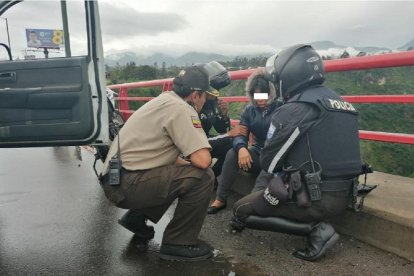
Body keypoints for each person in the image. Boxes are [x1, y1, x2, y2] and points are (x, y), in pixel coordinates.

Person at [231, 44, 363, 261]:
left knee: (240, 210)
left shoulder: (294, 108)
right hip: (346, 194)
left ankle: (315, 230)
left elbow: (269, 163)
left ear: (289, 76)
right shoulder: (342, 103)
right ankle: (316, 223)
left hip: (314, 199)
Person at [99, 65, 215, 262]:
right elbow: (203, 161)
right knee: (203, 177)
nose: (205, 101)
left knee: (180, 172)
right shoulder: (182, 109)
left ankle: (136, 218)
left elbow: (163, 157)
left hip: (116, 180)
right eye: (205, 96)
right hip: (127, 184)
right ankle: (179, 243)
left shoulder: (164, 100)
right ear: (195, 95)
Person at [207, 68, 282, 214]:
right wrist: (241, 148)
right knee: (232, 153)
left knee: (264, 175)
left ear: (271, 92)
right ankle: (220, 198)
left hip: (276, 158)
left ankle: (250, 207)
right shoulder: (249, 110)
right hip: (259, 152)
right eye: (256, 95)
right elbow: (241, 132)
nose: (260, 99)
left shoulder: (281, 107)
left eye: (264, 95)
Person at [199, 61, 248, 181]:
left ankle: (211, 178)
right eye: (214, 89)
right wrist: (229, 134)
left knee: (234, 145)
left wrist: (224, 116)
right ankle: (204, 181)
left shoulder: (213, 102)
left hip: (204, 141)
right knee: (230, 138)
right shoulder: (193, 106)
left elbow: (220, 129)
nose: (217, 93)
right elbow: (198, 143)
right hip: (192, 148)